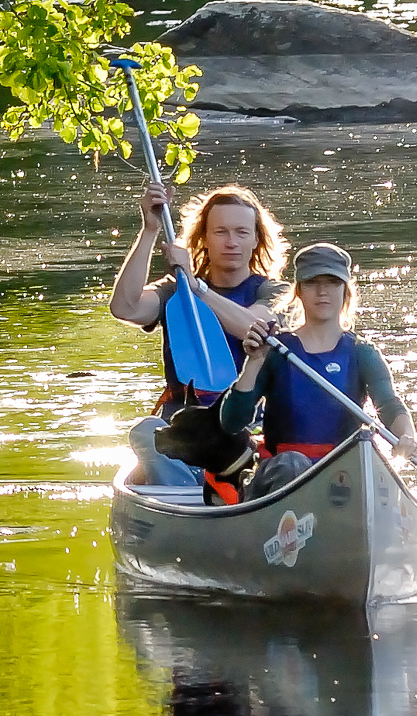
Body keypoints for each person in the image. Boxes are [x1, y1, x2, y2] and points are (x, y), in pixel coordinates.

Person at [109, 182, 289, 489]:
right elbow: (126, 307)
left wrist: (197, 288)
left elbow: (253, 328)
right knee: (144, 432)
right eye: (220, 232)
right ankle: (189, 496)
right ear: (204, 238)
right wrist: (149, 231)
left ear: (256, 239)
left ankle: (216, 489)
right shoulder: (174, 290)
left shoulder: (273, 291)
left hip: (246, 424)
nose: (231, 241)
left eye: (241, 232)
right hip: (185, 424)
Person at [217, 241, 417, 501]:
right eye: (313, 282)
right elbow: (231, 423)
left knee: (370, 466)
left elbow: (389, 404)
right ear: (299, 291)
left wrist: (406, 436)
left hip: (342, 473)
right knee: (293, 464)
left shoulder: (362, 353)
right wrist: (254, 362)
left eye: (332, 282)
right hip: (283, 473)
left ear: (345, 291)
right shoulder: (276, 351)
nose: (322, 291)